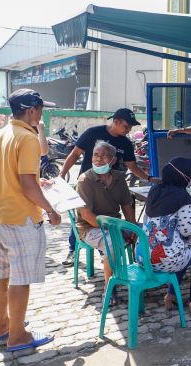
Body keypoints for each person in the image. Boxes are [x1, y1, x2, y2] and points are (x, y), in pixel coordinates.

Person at [0, 89, 61, 352]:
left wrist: (31, 183)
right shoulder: (27, 138)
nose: (42, 114)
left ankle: (3, 326)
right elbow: (28, 185)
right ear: (31, 110)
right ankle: (18, 336)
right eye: (41, 109)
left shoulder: (0, 135)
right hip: (21, 218)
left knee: (0, 273)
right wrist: (50, 210)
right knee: (20, 278)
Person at [59, 108, 159, 267]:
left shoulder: (125, 142)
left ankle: (122, 260)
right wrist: (62, 175)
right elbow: (75, 154)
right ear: (116, 121)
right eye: (127, 126)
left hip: (112, 184)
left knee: (114, 217)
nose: (129, 130)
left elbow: (132, 166)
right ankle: (73, 250)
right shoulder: (93, 133)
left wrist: (148, 178)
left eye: (130, 127)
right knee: (84, 215)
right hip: (90, 184)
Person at [142, 157, 191, 317]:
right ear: (184, 176)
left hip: (144, 257)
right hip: (163, 260)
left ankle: (171, 295)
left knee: (185, 250)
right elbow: (187, 230)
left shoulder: (154, 190)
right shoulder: (182, 196)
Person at [75, 140, 136, 305]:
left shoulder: (118, 177)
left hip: (114, 224)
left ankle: (141, 273)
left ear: (113, 160)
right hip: (90, 228)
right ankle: (109, 288)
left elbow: (127, 205)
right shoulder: (85, 180)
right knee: (111, 243)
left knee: (147, 232)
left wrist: (133, 228)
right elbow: (87, 216)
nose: (98, 159)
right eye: (96, 155)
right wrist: (118, 229)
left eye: (104, 156)